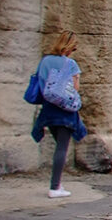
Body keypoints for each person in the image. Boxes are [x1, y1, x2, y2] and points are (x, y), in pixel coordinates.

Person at [30, 31, 87, 198]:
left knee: (58, 145)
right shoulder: (71, 64)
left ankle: (58, 184)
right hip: (65, 110)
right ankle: (55, 187)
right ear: (70, 47)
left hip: (48, 108)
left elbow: (40, 83)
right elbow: (75, 88)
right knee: (62, 147)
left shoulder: (45, 61)